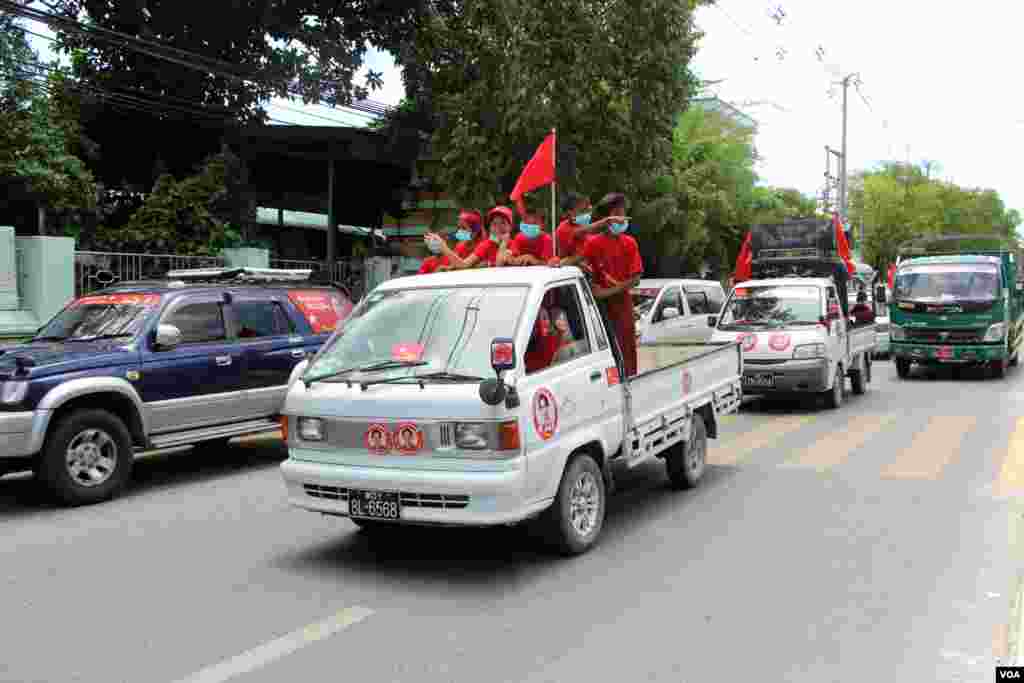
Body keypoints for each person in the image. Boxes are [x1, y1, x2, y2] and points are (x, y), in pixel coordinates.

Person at [583, 192, 644, 377]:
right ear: (607, 218)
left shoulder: (630, 243)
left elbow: (636, 278)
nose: (621, 218)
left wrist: (608, 292)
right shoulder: (592, 244)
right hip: (599, 309)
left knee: (627, 353)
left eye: (623, 213)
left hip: (623, 307)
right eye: (617, 213)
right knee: (605, 354)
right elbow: (585, 273)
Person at [431, 206, 517, 269]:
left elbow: (499, 264)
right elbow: (463, 265)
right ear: (489, 227)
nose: (498, 227)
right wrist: (444, 248)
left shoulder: (515, 243)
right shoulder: (485, 245)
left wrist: (504, 243)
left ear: (511, 226)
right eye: (494, 224)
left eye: (503, 223)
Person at [553, 192, 604, 268]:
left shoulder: (581, 225)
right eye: (582, 210)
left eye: (587, 210)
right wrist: (607, 221)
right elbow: (578, 255)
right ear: (570, 212)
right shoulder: (563, 229)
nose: (587, 214)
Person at [525, 306, 560, 373]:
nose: (547, 322)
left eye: (547, 318)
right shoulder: (527, 347)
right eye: (543, 318)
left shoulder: (553, 340)